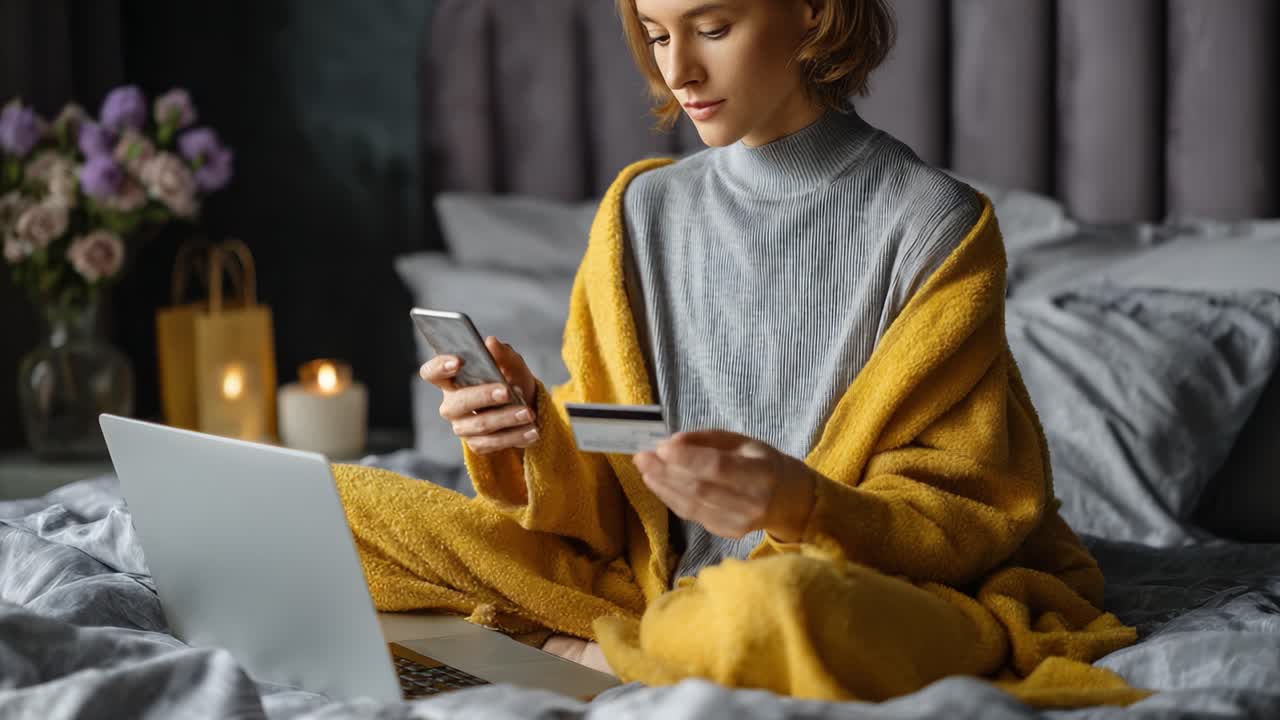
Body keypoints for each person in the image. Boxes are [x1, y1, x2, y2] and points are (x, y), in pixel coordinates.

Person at [340, 0, 1139, 703]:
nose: (678, 69)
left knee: (775, 608)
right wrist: (526, 434)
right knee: (338, 509)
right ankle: (652, 648)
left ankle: (610, 657)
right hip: (643, 583)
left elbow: (967, 507)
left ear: (815, 12)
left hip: (851, 581)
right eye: (655, 35)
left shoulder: (936, 224)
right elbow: (624, 454)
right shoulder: (638, 211)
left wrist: (797, 505)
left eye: (713, 28)